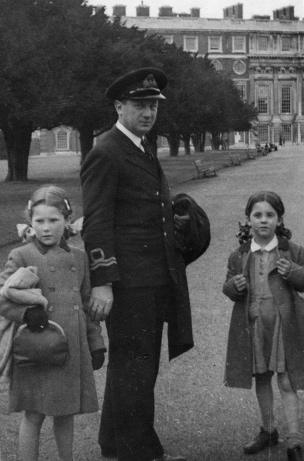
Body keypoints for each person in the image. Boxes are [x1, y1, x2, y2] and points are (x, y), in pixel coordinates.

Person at [80, 67, 195, 461]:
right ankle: (141, 452)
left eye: (152, 106)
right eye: (139, 105)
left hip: (151, 278)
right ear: (119, 106)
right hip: (129, 283)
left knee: (132, 365)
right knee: (137, 368)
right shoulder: (106, 150)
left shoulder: (140, 146)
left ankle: (115, 444)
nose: (148, 113)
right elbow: (96, 221)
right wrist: (103, 280)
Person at [0, 185, 106, 461]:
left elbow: (84, 304)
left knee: (66, 412)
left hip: (69, 347)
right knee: (33, 414)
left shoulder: (80, 257)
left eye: (53, 220)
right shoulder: (21, 256)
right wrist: (25, 314)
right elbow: (3, 297)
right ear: (31, 222)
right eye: (39, 221)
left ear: (67, 221)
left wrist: (96, 343)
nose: (46, 228)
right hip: (35, 347)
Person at [223, 191, 304, 461]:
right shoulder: (240, 255)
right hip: (255, 323)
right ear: (248, 219)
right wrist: (234, 287)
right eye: (257, 215)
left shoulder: (291, 251)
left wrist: (292, 271)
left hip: (283, 324)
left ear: (279, 219)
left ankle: (294, 439)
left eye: (270, 215)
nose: (263, 220)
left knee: (286, 379)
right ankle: (268, 430)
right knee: (262, 377)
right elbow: (228, 285)